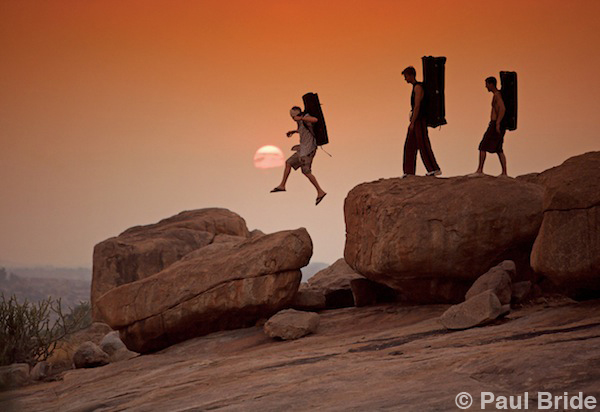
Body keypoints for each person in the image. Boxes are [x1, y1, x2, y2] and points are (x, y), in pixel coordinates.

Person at [271, 106, 327, 205]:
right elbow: (303, 130)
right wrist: (293, 131)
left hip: (308, 150)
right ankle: (282, 185)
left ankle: (320, 191)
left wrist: (301, 118)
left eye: (293, 117)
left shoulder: (306, 117)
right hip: (302, 150)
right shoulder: (300, 122)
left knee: (306, 172)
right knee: (288, 163)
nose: (293, 119)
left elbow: (315, 120)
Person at [401, 66, 442, 177]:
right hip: (416, 119)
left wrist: (413, 122)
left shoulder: (418, 87)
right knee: (410, 145)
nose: (405, 79)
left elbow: (417, 105)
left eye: (406, 76)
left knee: (423, 143)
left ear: (410, 75)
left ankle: (434, 169)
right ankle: (408, 172)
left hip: (419, 119)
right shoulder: (415, 87)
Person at [471, 76, 507, 176]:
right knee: (499, 149)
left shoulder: (497, 95)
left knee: (482, 146)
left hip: (495, 125)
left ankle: (480, 170)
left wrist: (498, 123)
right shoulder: (496, 95)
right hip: (496, 124)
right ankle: (504, 172)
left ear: (491, 84)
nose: (486, 86)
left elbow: (502, 108)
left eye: (487, 84)